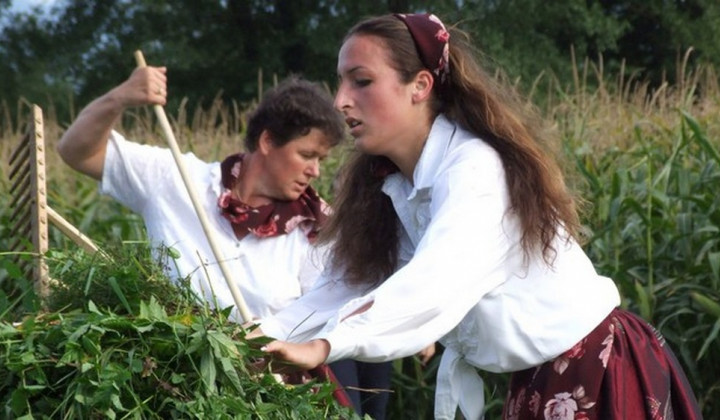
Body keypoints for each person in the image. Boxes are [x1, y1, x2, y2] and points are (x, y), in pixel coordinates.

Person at [249, 13, 703, 420]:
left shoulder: (474, 170)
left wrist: (324, 346)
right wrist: (256, 338)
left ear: (420, 86)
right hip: (540, 378)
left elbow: (433, 283)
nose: (341, 100)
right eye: (341, 82)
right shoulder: (395, 186)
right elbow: (345, 284)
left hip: (597, 369)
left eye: (361, 81)